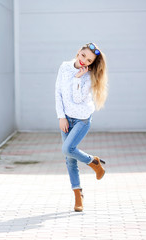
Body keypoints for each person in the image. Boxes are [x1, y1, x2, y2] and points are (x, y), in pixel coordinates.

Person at [55, 43, 108, 212]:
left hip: (82, 119)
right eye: (83, 55)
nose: (84, 60)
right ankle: (78, 195)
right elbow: (58, 93)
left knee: (67, 149)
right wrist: (61, 117)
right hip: (66, 119)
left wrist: (78, 78)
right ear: (79, 51)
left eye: (89, 60)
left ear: (92, 63)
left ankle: (93, 162)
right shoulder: (64, 67)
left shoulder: (88, 76)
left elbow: (77, 100)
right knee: (69, 159)